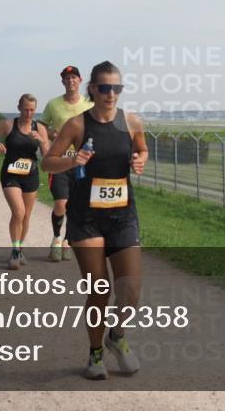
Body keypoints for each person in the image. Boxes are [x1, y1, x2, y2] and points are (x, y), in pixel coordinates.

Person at [43, 61, 147, 380]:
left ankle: (116, 337)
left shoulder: (131, 122)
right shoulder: (77, 125)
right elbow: (47, 162)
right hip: (86, 217)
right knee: (99, 288)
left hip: (122, 215)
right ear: (92, 89)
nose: (110, 94)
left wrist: (139, 160)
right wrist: (73, 159)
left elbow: (142, 150)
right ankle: (95, 353)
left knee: (130, 289)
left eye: (117, 88)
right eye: (104, 88)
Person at [0, 95, 50, 269]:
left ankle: (20, 249)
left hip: (31, 174)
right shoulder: (8, 124)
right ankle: (14, 252)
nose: (29, 113)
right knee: (19, 212)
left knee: (26, 215)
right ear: (19, 108)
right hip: (11, 174)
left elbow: (47, 155)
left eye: (32, 110)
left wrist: (42, 141)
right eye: (26, 109)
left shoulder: (40, 128)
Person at [39, 66, 94, 262]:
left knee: (76, 205)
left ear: (80, 80)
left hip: (82, 162)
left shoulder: (89, 104)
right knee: (61, 203)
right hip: (60, 161)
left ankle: (68, 241)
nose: (70, 80)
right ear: (62, 81)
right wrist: (46, 142)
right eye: (66, 78)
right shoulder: (53, 104)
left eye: (73, 77)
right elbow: (42, 125)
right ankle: (56, 237)